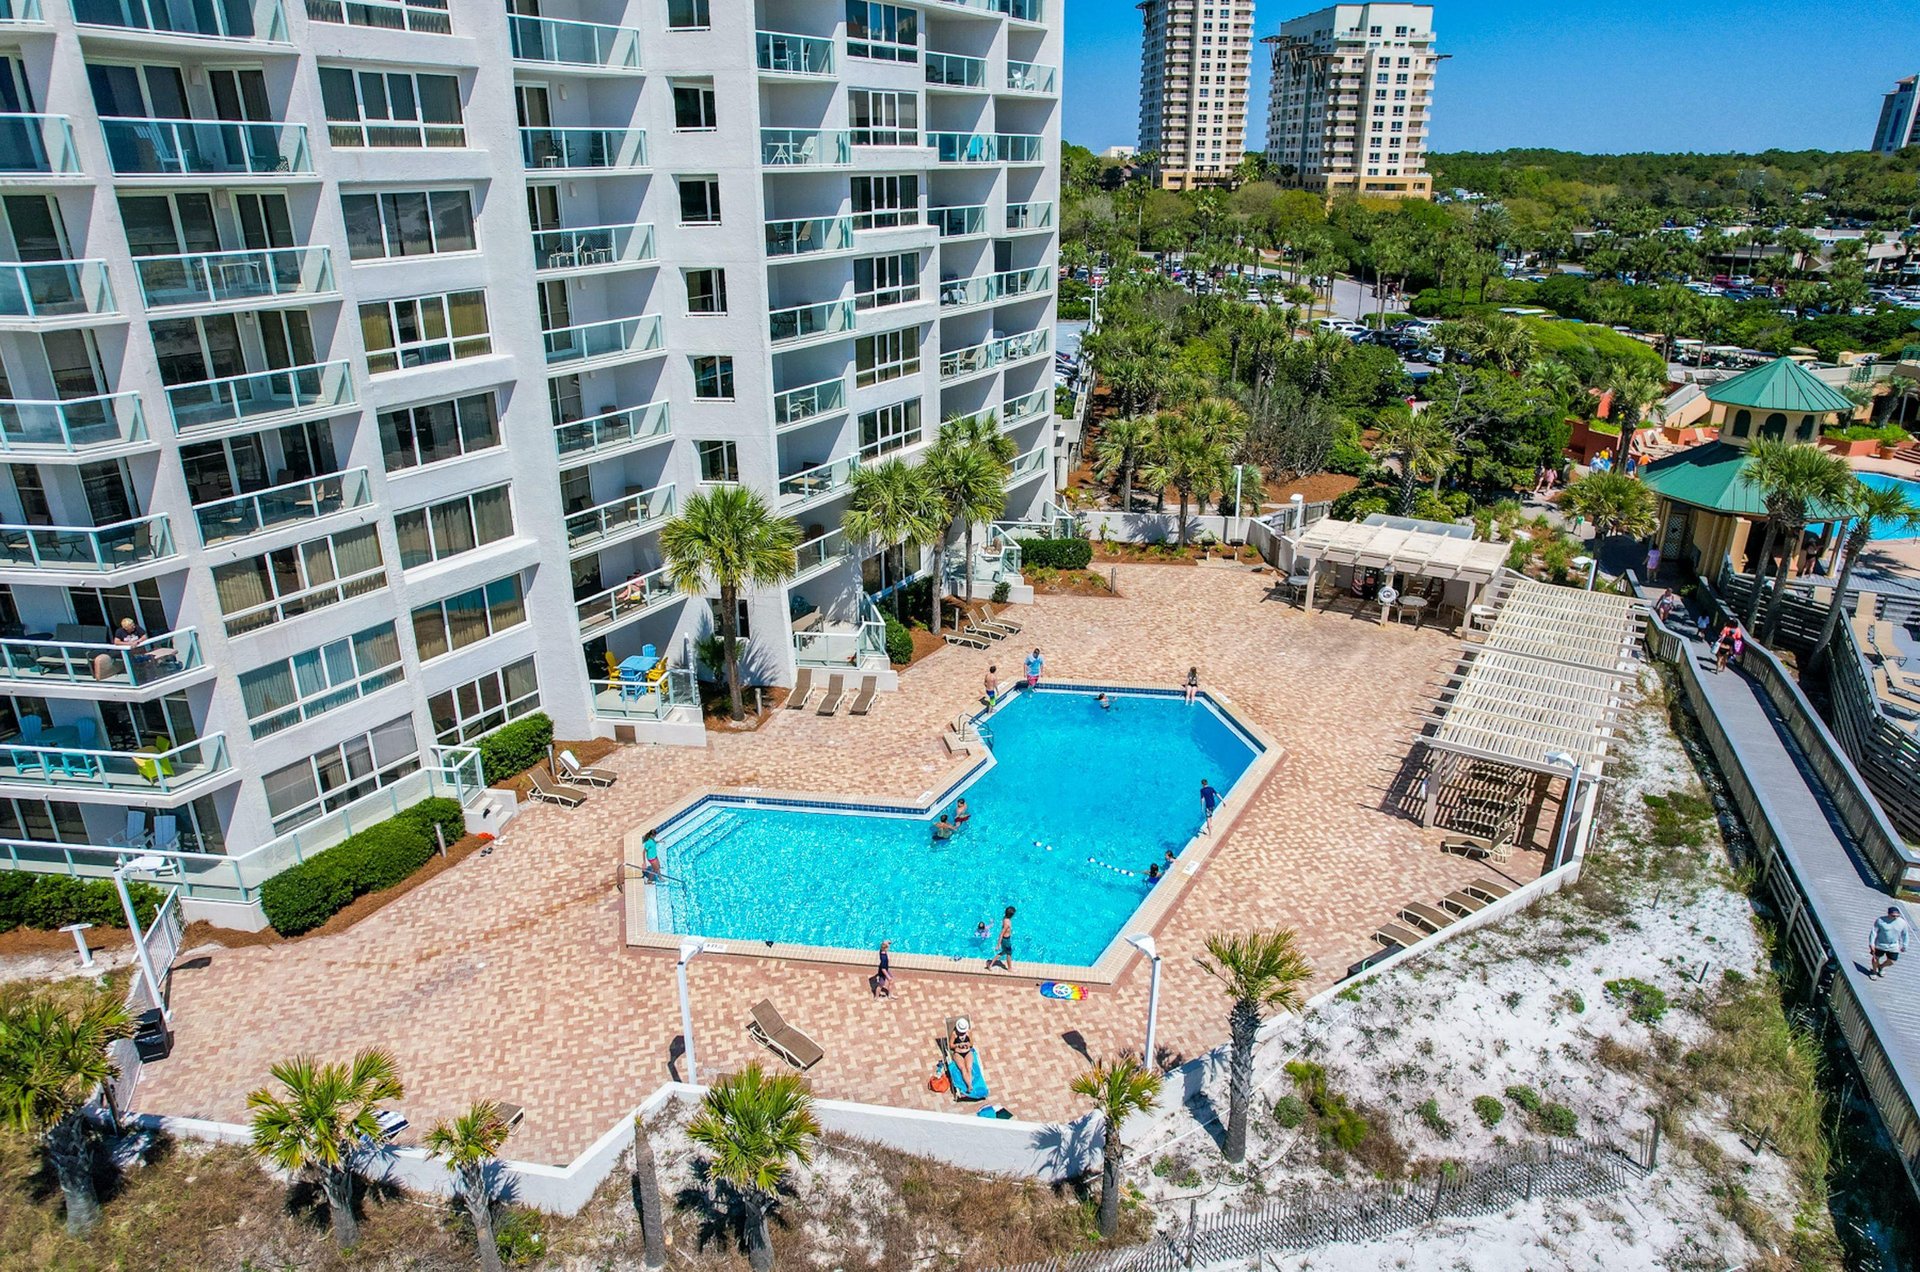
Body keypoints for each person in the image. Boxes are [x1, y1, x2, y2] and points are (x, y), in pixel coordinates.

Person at [1870, 906, 1910, 978]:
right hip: (1880, 944)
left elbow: (1905, 935)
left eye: (1897, 916)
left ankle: (1881, 967)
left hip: (1893, 946)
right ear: (1888, 914)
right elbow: (1874, 932)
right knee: (1875, 958)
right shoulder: (1880, 920)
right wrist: (1871, 943)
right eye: (1893, 916)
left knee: (1892, 961)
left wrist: (1905, 945)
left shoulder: (1902, 923)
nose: (1895, 917)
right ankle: (1874, 972)